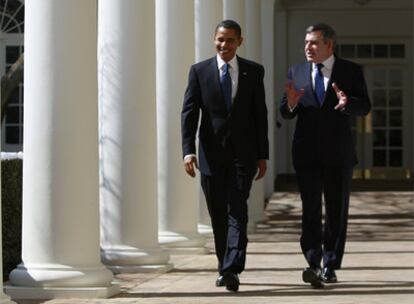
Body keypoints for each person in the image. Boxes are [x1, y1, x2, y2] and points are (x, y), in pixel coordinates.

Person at [280, 23, 371, 288]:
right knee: (310, 210)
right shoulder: (296, 71)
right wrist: (292, 103)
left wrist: (347, 104)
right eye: (306, 42)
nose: (308, 47)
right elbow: (285, 111)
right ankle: (312, 262)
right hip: (306, 153)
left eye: (314, 43)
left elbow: (364, 106)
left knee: (335, 211)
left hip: (338, 153)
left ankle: (330, 264)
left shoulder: (350, 70)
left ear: (329, 45)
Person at [181, 19, 269, 292]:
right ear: (214, 39)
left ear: (239, 42)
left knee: (237, 211)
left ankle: (232, 268)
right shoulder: (199, 71)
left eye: (230, 40)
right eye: (220, 39)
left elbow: (260, 115)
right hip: (210, 156)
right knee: (218, 214)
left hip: (243, 155)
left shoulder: (253, 72)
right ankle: (224, 265)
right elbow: (189, 113)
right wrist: (188, 151)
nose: (224, 44)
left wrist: (262, 155)